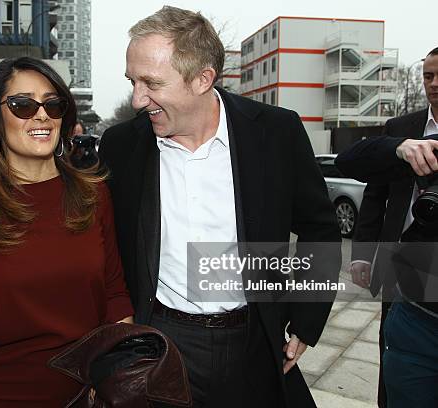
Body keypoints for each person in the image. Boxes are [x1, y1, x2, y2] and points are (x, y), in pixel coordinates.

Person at [99, 6, 341, 407]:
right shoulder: (122, 146)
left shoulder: (276, 132)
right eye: (133, 82)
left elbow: (321, 228)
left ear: (202, 79)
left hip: (253, 341)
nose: (138, 99)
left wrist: (306, 319)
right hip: (160, 341)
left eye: (151, 83)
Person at [0, 57, 134, 408]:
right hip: (4, 393)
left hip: (88, 394)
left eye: (52, 104)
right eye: (23, 105)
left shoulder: (94, 196)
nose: (42, 115)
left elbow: (115, 294)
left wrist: (115, 377)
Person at [336, 47, 438, 408]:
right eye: (428, 76)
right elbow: (374, 196)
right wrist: (362, 256)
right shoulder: (402, 128)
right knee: (395, 365)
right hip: (402, 263)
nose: (434, 84)